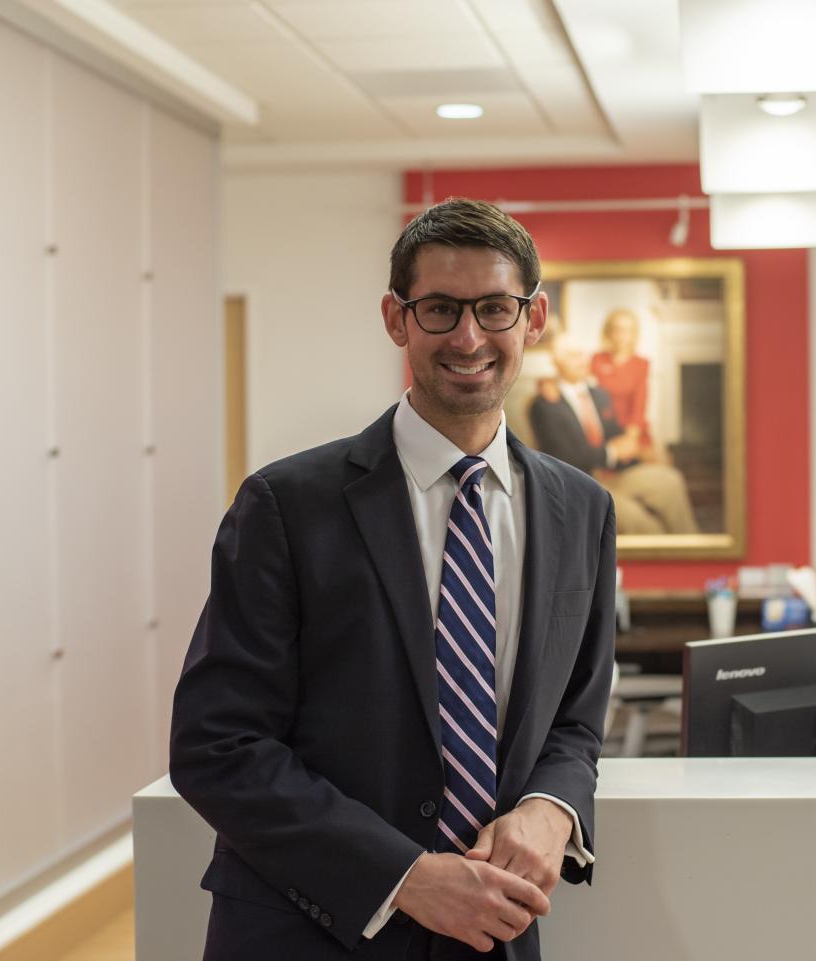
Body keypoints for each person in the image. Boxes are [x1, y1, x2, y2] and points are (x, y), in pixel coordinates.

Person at [170, 198, 616, 961]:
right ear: (396, 318)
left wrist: (551, 807)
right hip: (306, 934)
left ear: (534, 318)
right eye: (440, 308)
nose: (468, 337)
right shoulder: (286, 503)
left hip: (495, 933)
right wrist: (403, 875)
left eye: (494, 308)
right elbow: (218, 743)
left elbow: (574, 719)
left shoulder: (582, 509)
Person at [528, 331, 698, 537]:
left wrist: (637, 451)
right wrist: (612, 453)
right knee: (639, 521)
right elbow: (565, 457)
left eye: (583, 354)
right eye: (573, 355)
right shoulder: (544, 405)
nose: (582, 360)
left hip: (613, 475)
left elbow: (615, 436)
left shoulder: (599, 395)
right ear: (557, 362)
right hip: (580, 486)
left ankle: (694, 548)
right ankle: (667, 554)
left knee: (670, 481)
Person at [589, 308, 651, 449]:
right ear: (609, 332)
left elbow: (639, 407)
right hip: (602, 431)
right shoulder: (597, 359)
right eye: (618, 329)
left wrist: (629, 439)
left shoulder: (641, 364)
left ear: (634, 334)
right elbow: (580, 388)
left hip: (631, 431)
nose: (622, 335)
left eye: (628, 330)